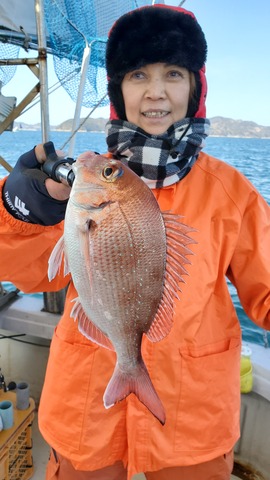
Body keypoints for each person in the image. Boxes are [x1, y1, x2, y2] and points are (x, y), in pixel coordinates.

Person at [0, 4, 269, 480]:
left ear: (195, 88)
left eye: (174, 73)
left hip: (192, 419)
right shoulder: (79, 185)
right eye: (138, 74)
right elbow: (25, 269)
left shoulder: (233, 193)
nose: (157, 91)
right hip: (87, 411)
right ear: (119, 91)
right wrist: (22, 212)